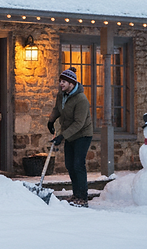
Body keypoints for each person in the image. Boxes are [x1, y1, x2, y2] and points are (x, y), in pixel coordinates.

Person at [46, 68, 93, 207]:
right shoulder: (61, 95)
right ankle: (75, 194)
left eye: (64, 81)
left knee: (78, 164)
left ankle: (83, 197)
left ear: (72, 83)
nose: (61, 84)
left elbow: (79, 123)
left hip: (82, 134)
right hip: (69, 134)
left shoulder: (81, 100)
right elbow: (57, 109)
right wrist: (51, 121)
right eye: (60, 81)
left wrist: (62, 136)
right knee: (69, 165)